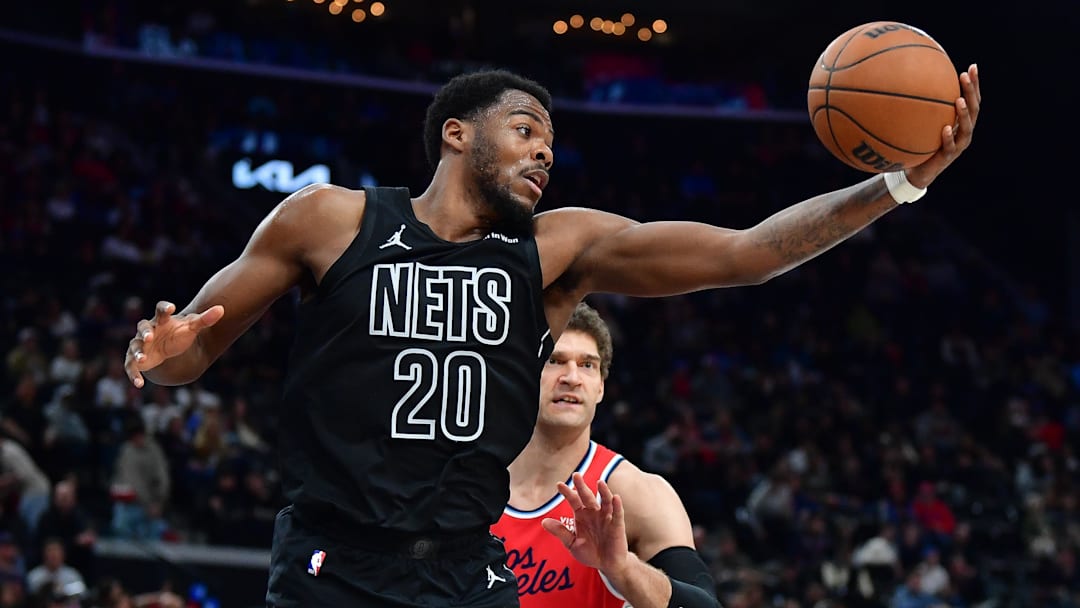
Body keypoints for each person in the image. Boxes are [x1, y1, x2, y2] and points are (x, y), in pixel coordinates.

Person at [122, 65, 981, 607]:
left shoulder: (555, 249)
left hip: (465, 568)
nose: (544, 154)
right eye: (525, 130)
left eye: (551, 143)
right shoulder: (330, 220)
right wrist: (160, 358)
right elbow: (192, 351)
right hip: (334, 564)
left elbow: (748, 254)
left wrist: (897, 185)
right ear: (457, 133)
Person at [492, 302, 720, 607]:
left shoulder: (635, 493)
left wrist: (622, 569)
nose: (572, 377)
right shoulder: (469, 485)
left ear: (600, 386)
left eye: (587, 365)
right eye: (554, 360)